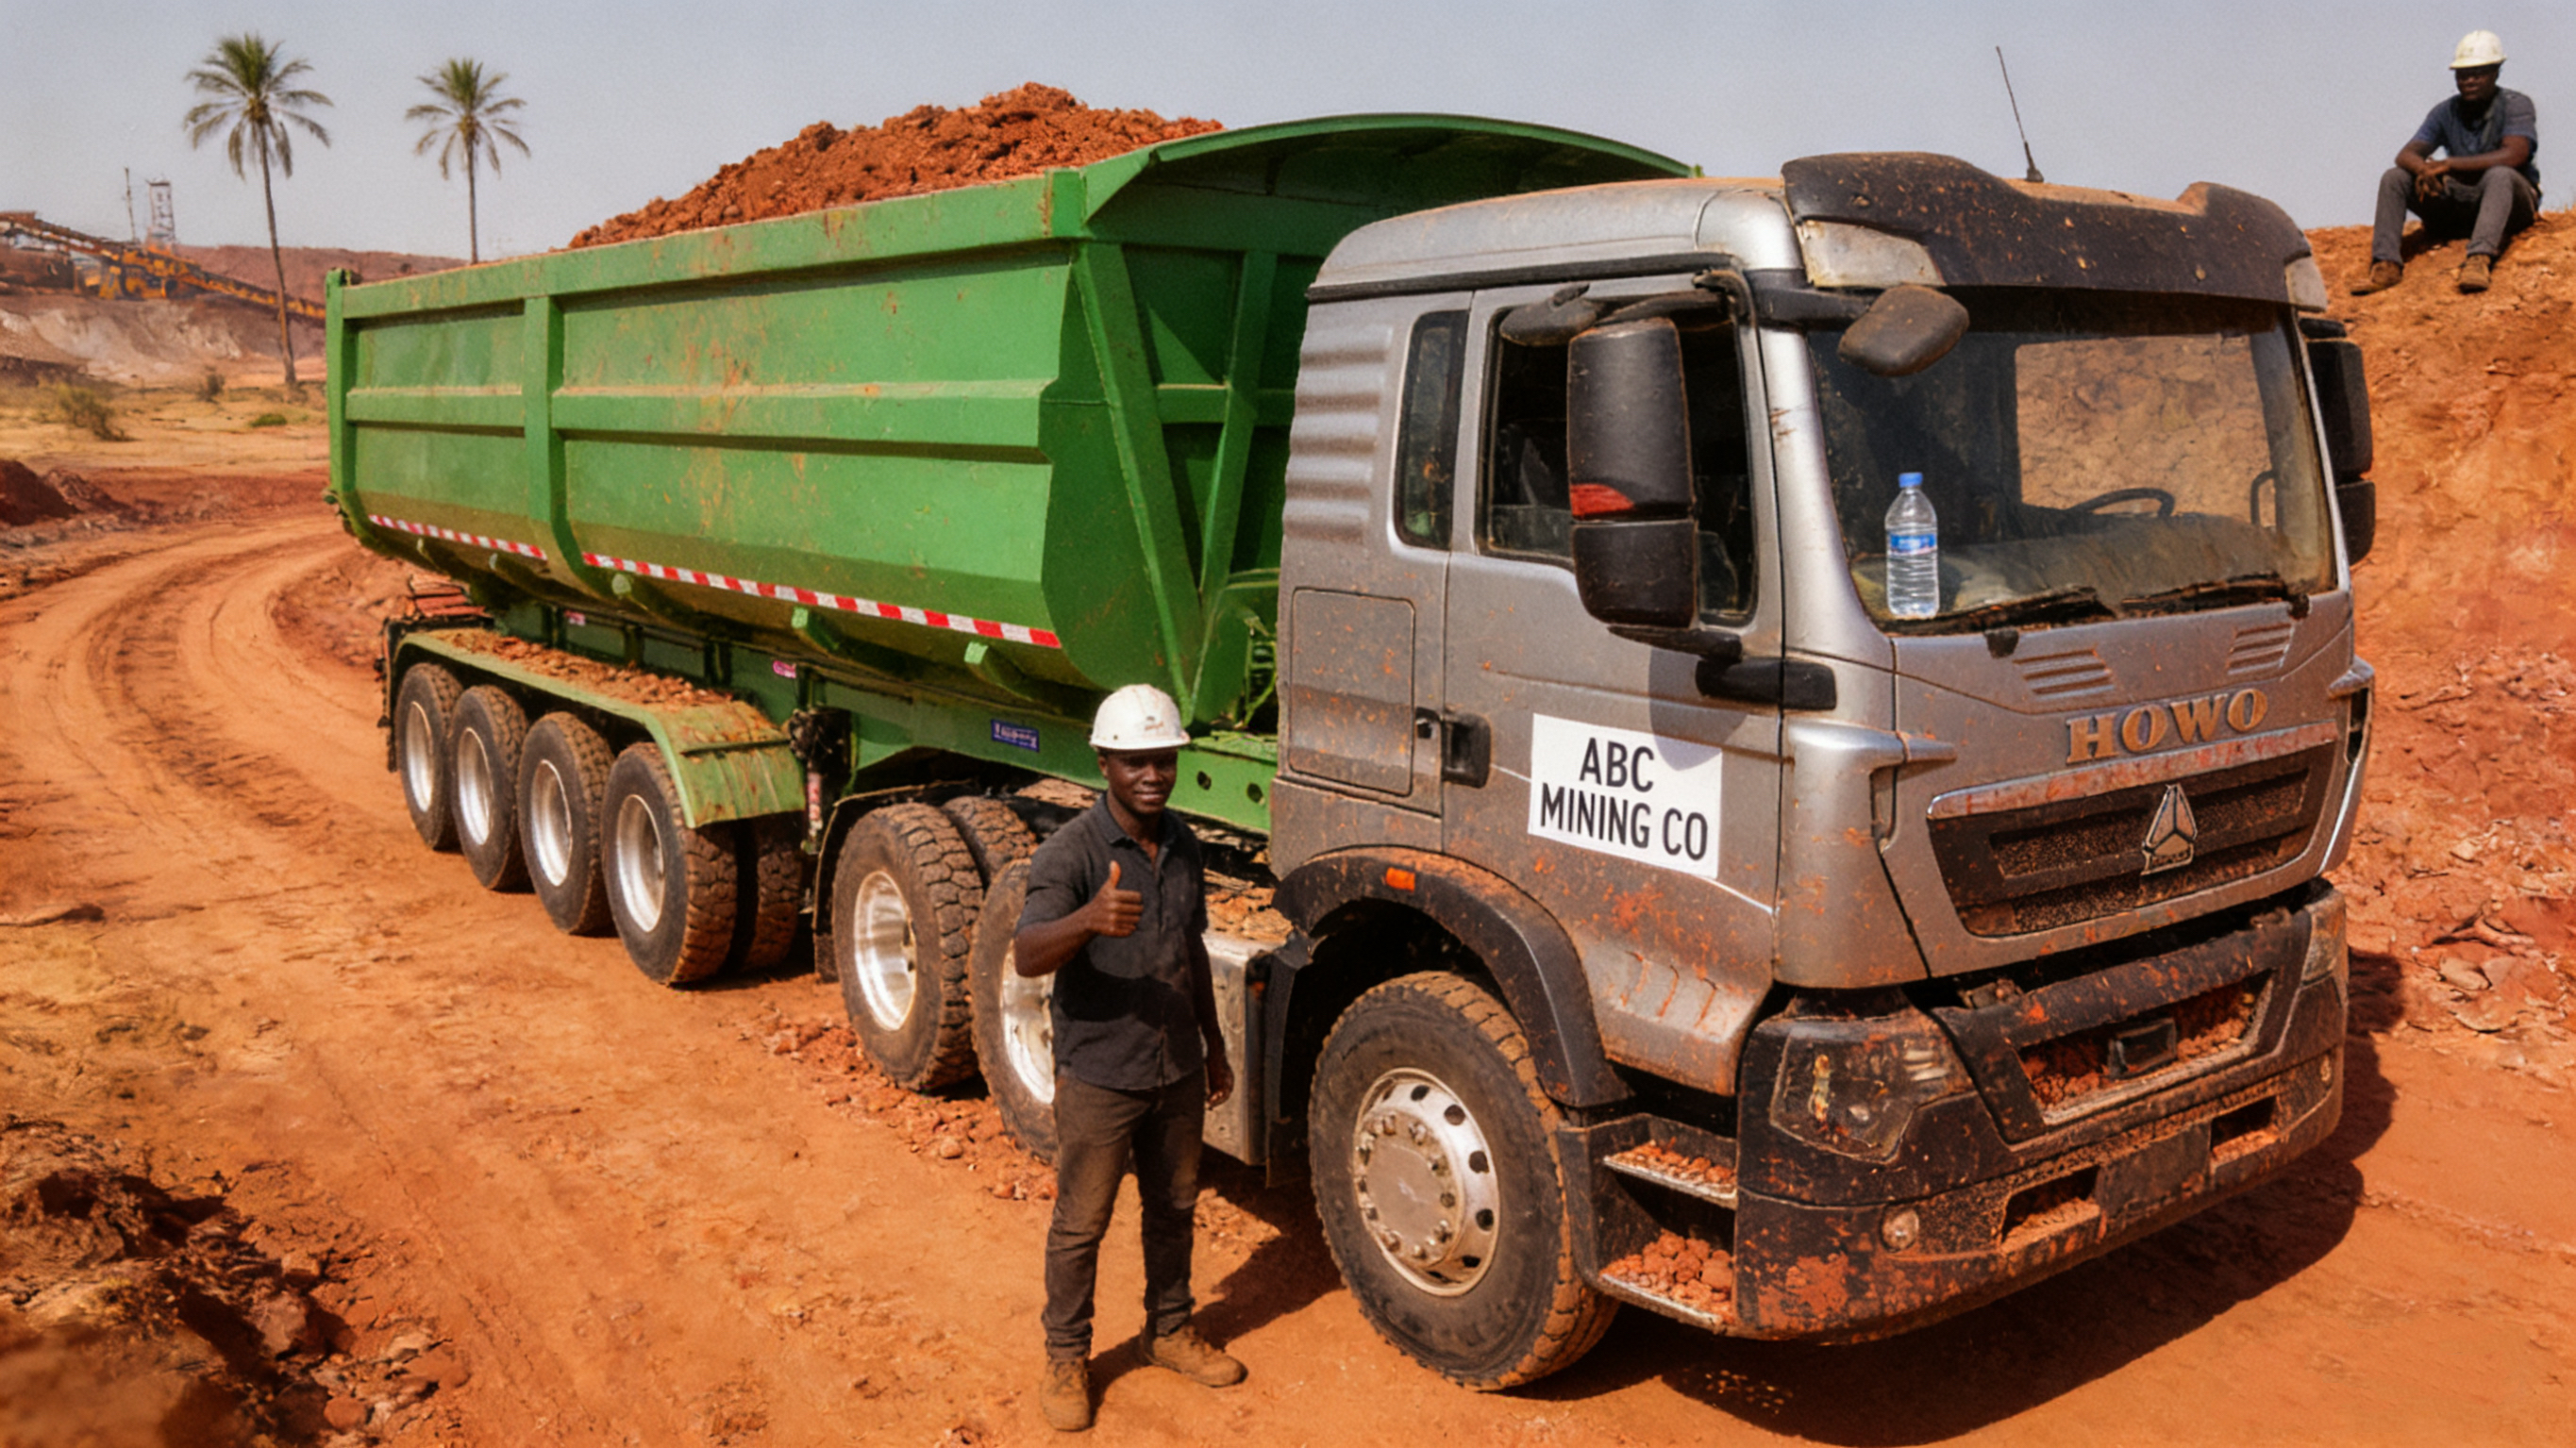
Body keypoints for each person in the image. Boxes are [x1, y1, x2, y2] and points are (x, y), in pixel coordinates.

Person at [1014, 683, 1243, 1433]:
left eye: (1164, 759)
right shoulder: (1071, 853)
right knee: (1082, 1223)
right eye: (1136, 761)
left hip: (1174, 1063)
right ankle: (1065, 1354)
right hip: (1101, 1073)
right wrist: (1088, 918)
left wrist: (1212, 1046)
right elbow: (1024, 953)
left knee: (1174, 1209)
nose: (1153, 774)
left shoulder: (1184, 844)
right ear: (1105, 761)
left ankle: (1168, 1329)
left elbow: (1191, 946)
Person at [2353, 29, 2541, 296]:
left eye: (2479, 73)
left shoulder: (2516, 105)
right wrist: (2424, 170)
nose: (2470, 81)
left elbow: (2515, 155)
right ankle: (2385, 264)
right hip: (2461, 205)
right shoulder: (2446, 111)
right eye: (2463, 74)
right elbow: (2406, 154)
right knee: (2395, 177)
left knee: (2500, 175)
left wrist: (2450, 164)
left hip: (2509, 205)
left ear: (2496, 72)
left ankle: (2479, 259)